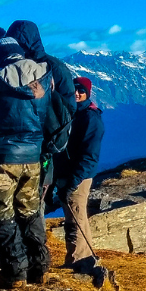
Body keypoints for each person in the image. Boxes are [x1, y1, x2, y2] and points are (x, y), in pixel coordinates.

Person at [0, 29, 53, 287]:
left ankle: (14, 273)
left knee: (1, 214)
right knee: (29, 212)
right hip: (33, 156)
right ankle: (39, 268)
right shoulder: (44, 74)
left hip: (1, 157)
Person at [6, 21, 77, 195]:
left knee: (29, 202)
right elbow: (70, 108)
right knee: (30, 205)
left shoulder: (14, 68)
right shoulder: (56, 67)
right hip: (38, 145)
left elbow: (67, 109)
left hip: (36, 147)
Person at [54, 76, 104, 269]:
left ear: (87, 93)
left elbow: (89, 156)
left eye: (81, 90)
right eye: (74, 89)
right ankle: (86, 258)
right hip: (69, 174)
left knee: (75, 218)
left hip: (79, 177)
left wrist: (73, 181)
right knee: (77, 216)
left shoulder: (90, 118)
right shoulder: (74, 113)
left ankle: (76, 261)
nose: (76, 93)